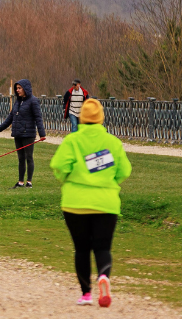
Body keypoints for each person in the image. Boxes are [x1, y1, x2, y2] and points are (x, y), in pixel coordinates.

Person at [50, 99, 131, 307]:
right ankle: (104, 275)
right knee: (103, 247)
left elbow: (59, 166)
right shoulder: (113, 142)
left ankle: (86, 294)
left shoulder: (72, 141)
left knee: (82, 249)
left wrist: (67, 180)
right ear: (101, 118)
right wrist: (107, 182)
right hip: (106, 203)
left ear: (82, 117)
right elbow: (124, 171)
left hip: (75, 203)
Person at [0, 79, 46, 189]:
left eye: (19, 88)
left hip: (28, 134)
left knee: (29, 157)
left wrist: (42, 134)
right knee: (21, 158)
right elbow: (10, 118)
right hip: (17, 134)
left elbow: (38, 118)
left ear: (25, 88)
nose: (17, 90)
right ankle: (20, 182)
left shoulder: (33, 101)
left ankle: (29, 182)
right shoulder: (17, 102)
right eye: (16, 88)